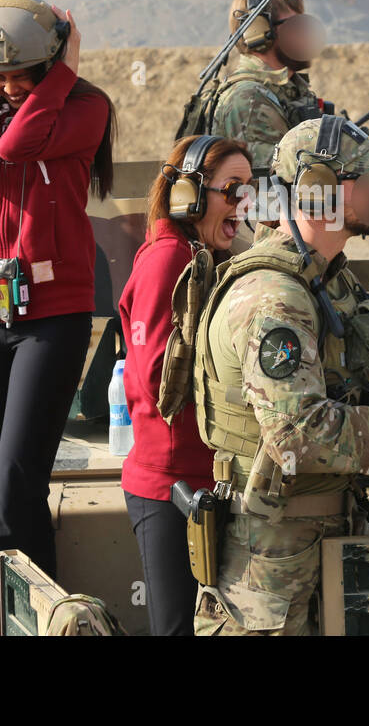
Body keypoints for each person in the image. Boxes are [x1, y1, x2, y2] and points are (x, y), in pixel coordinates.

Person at [191, 116, 369, 635]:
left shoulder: (329, 281)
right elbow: (297, 434)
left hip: (324, 536)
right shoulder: (274, 297)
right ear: (321, 191)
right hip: (273, 564)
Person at [0, 0, 116, 579]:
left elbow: (19, 146)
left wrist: (64, 72)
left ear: (49, 63)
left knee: (17, 479)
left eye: (21, 73)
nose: (8, 85)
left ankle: (34, 610)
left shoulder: (86, 107)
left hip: (51, 320)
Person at [118, 135, 253, 636]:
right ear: (188, 196)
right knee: (175, 628)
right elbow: (159, 380)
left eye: (249, 191)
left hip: (203, 477)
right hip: (170, 485)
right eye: (231, 189)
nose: (243, 203)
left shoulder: (201, 256)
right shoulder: (167, 260)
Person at [209, 0, 327, 176]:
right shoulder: (248, 98)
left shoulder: (287, 89)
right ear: (259, 33)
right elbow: (271, 183)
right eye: (296, 25)